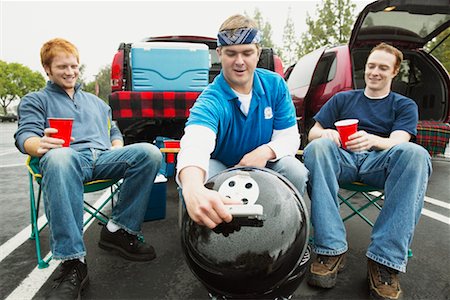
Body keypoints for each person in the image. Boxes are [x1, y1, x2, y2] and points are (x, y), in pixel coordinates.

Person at [14, 38, 162, 299]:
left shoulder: (97, 103)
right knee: (59, 157)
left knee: (150, 152)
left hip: (104, 159)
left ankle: (118, 230)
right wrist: (38, 144)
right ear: (47, 69)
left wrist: (117, 145)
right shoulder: (35, 100)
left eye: (74, 66)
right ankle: (74, 263)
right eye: (62, 67)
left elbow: (114, 129)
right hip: (68, 161)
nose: (70, 72)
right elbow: (25, 135)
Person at [303, 43, 432, 300]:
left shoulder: (403, 105)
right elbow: (313, 132)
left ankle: (384, 261)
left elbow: (400, 140)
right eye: (372, 66)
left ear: (394, 72)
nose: (375, 72)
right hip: (344, 161)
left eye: (383, 68)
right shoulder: (343, 99)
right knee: (317, 148)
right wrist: (325, 133)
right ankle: (330, 249)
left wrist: (372, 140)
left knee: (417, 155)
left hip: (380, 163)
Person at [176, 14, 308, 229]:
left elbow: (289, 137)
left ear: (258, 52)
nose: (239, 62)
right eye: (231, 53)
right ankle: (210, 236)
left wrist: (263, 153)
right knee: (201, 176)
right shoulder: (211, 98)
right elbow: (195, 143)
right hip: (223, 166)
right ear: (219, 54)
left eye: (247, 53)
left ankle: (287, 228)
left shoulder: (274, 85)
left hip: (265, 164)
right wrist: (191, 187)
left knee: (295, 170)